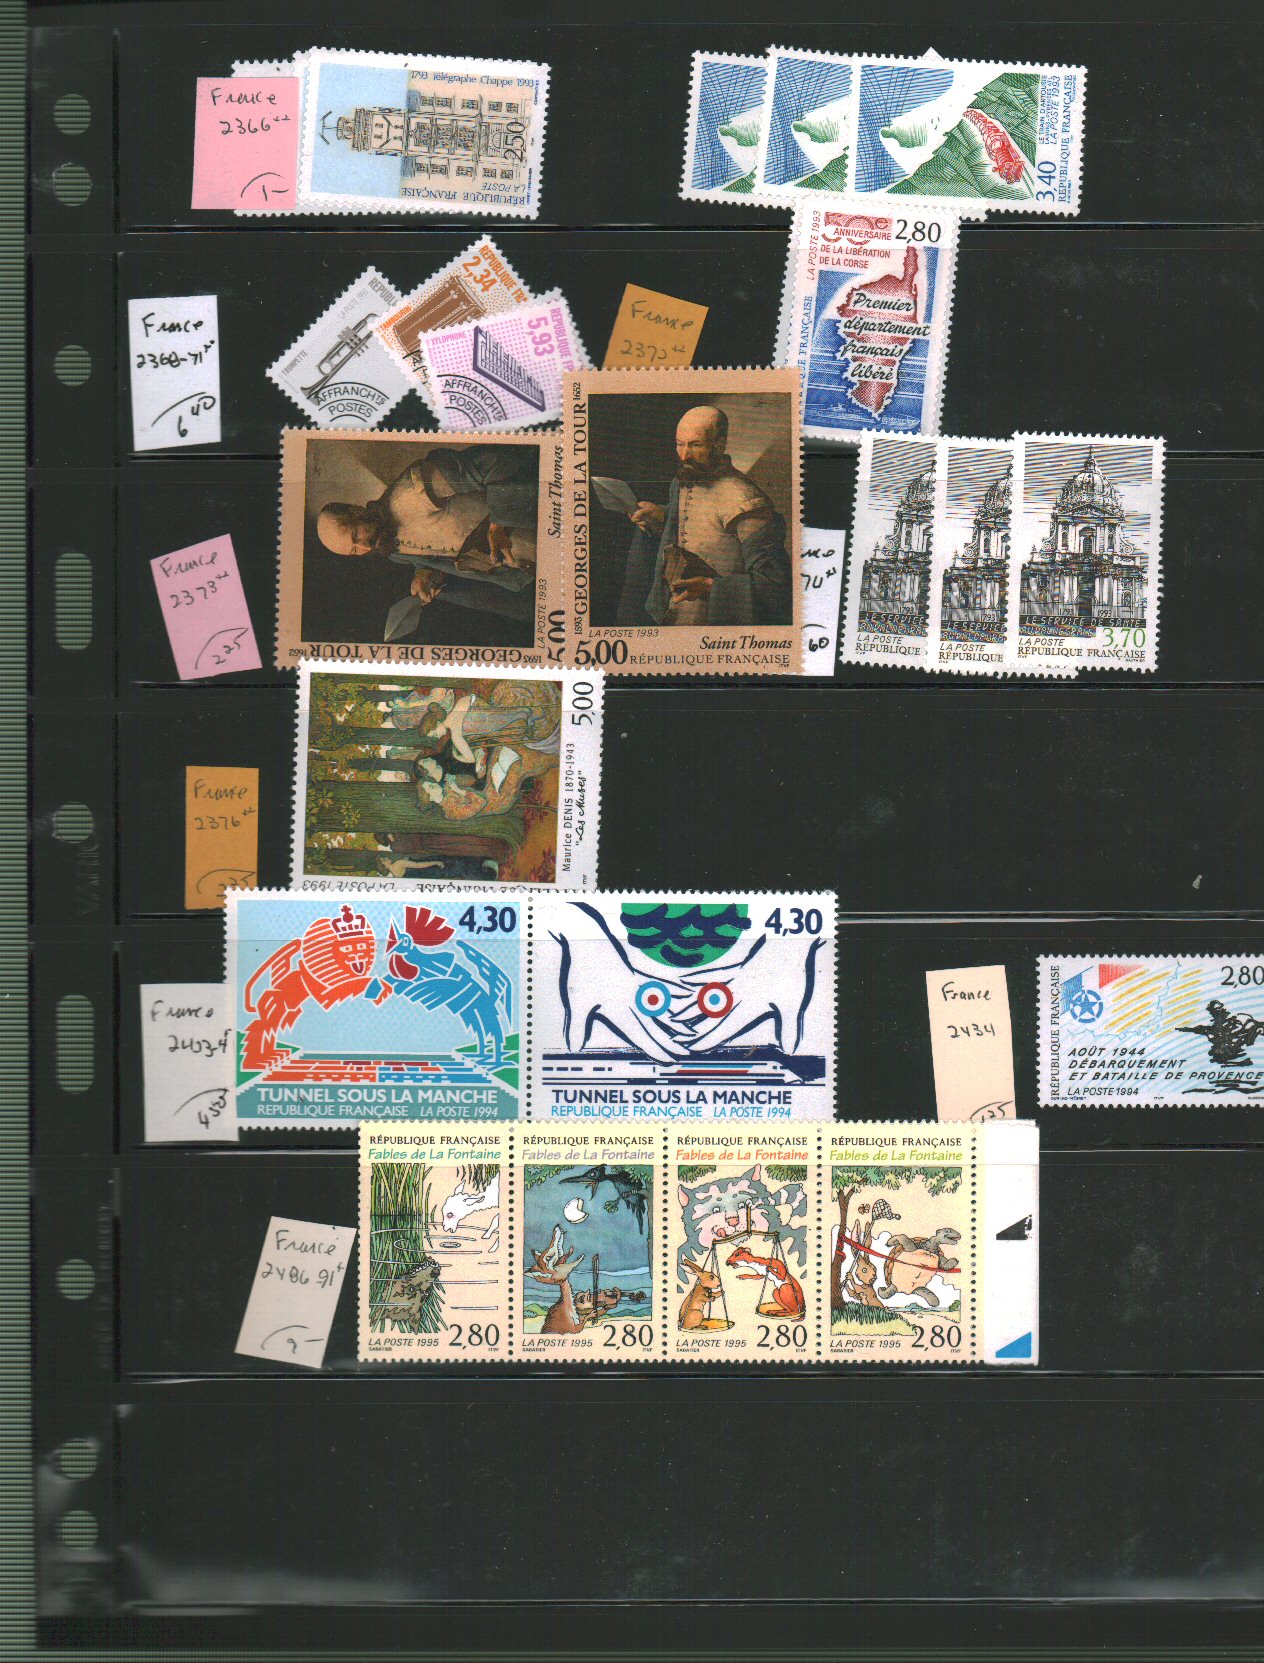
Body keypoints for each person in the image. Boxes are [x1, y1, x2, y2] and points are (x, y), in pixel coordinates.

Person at [314, 445, 538, 623]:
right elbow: (434, 547)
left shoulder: (414, 490)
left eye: (356, 536)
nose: (365, 547)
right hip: (529, 577)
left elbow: (498, 463)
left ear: (357, 512)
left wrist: (499, 526)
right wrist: (425, 572)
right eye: (355, 551)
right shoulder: (389, 547)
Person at [615, 405, 791, 627]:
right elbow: (696, 522)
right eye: (680, 444)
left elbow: (775, 585)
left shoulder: (745, 501)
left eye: (695, 445)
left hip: (715, 625)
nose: (684, 455)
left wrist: (710, 587)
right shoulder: (684, 481)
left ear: (719, 445)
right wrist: (662, 517)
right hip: (671, 617)